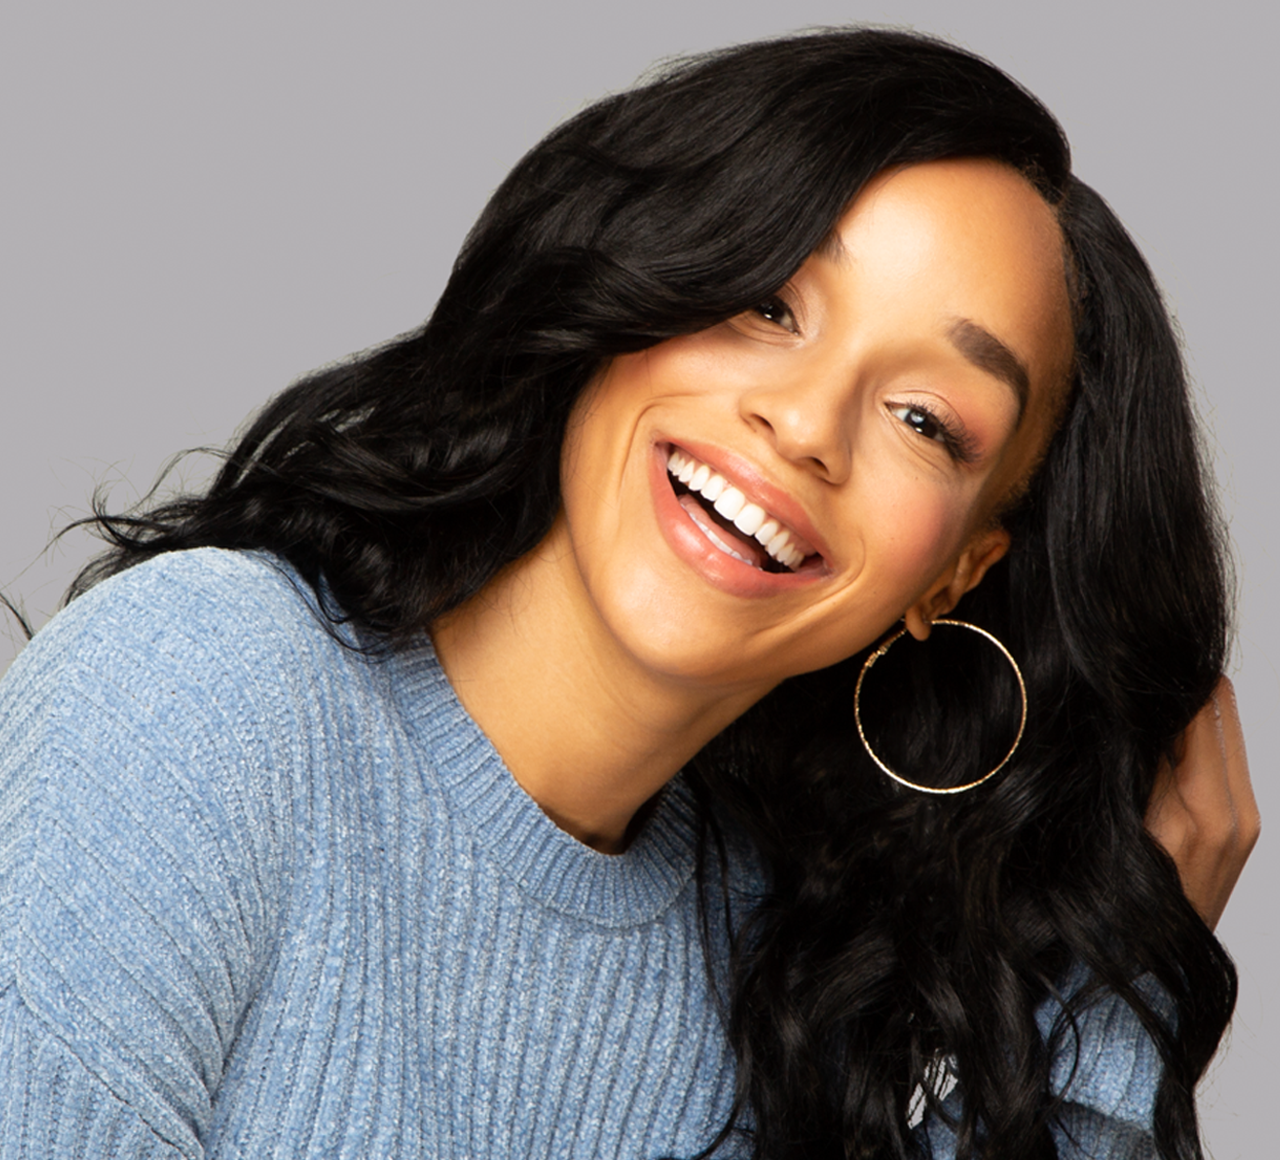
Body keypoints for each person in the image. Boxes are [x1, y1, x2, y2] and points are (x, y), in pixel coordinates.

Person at [0, 27, 1258, 1160]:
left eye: (923, 417)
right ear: (630, 288)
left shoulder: (788, 986)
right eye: (769, 302)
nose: (804, 424)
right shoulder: (195, 700)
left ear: (955, 572)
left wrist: (1116, 995)